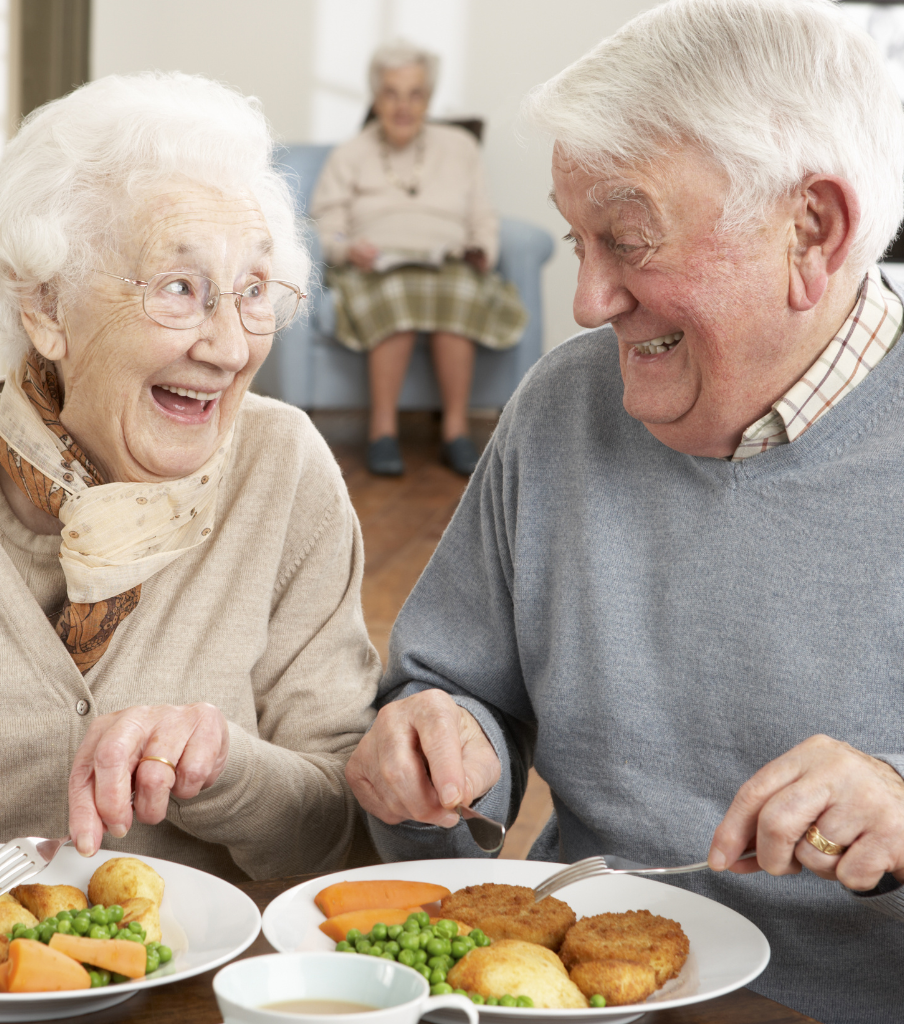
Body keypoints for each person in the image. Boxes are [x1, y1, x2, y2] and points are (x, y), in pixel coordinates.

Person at [344, 1, 904, 1020]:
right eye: (576, 240)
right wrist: (430, 746)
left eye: (630, 242)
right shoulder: (561, 405)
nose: (586, 300)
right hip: (572, 998)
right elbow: (446, 685)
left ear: (810, 231)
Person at [0, 72, 382, 883]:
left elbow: (338, 838)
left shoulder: (282, 471)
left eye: (253, 291)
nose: (227, 347)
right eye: (179, 289)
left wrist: (227, 770)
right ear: (45, 306)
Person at [311, 42, 527, 477]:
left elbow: (483, 215)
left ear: (428, 99)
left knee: (460, 290)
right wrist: (347, 247)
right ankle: (382, 432)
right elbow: (325, 224)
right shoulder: (349, 154)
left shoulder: (460, 147)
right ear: (376, 98)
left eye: (415, 94)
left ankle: (455, 432)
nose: (403, 106)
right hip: (376, 265)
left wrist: (482, 249)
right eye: (391, 93)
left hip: (446, 260)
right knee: (396, 293)